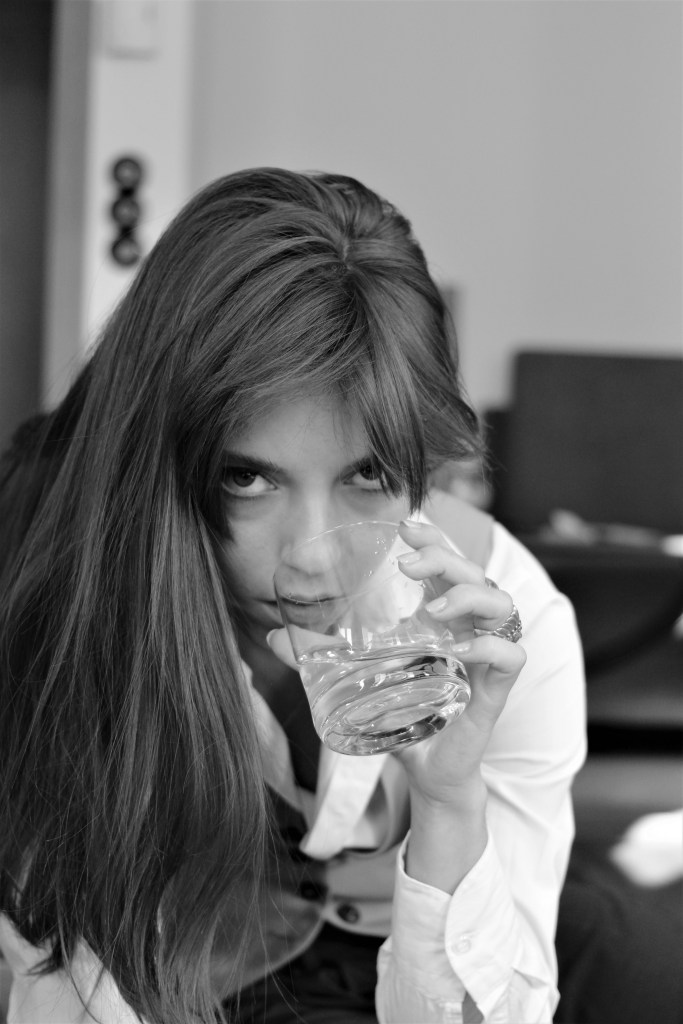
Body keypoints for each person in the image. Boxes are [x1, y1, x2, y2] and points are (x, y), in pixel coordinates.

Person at [0, 168, 586, 1023]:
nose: (312, 561)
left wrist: (448, 804)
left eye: (369, 474)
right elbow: (76, 986)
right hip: (194, 965)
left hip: (391, 945)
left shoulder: (507, 617)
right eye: (246, 477)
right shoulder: (59, 586)